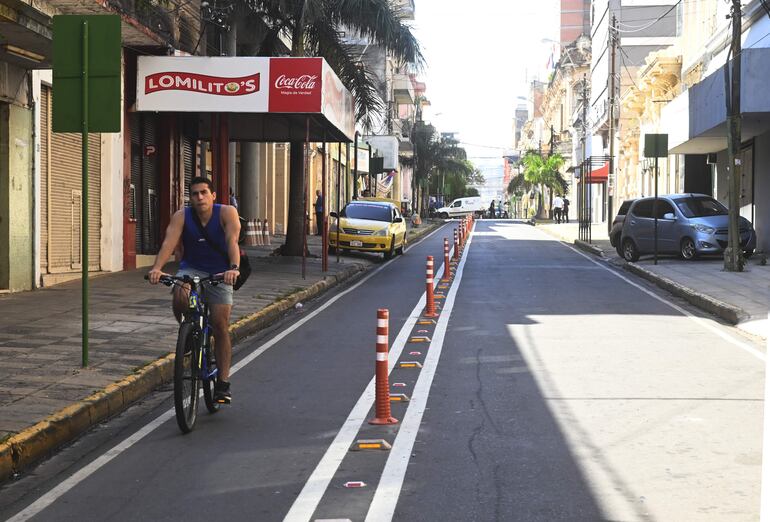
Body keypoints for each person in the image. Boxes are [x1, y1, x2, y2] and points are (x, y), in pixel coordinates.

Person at [148, 176, 241, 405]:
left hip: (220, 272)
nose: (199, 198)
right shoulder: (182, 216)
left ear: (213, 195)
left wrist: (233, 268)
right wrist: (157, 268)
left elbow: (232, 241)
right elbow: (169, 243)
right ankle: (188, 332)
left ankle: (222, 383)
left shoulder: (226, 212)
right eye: (195, 194)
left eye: (203, 192)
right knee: (180, 293)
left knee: (220, 325)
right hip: (191, 268)